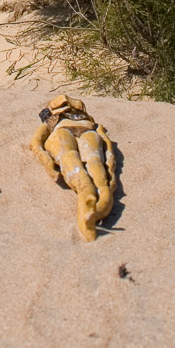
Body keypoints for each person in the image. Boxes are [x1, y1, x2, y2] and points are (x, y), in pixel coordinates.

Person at [30, 95, 116, 241]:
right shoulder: (52, 120)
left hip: (87, 132)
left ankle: (100, 207)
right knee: (72, 161)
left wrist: (111, 170)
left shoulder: (90, 121)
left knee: (95, 164)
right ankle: (88, 207)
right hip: (64, 132)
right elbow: (36, 142)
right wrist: (47, 163)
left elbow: (106, 142)